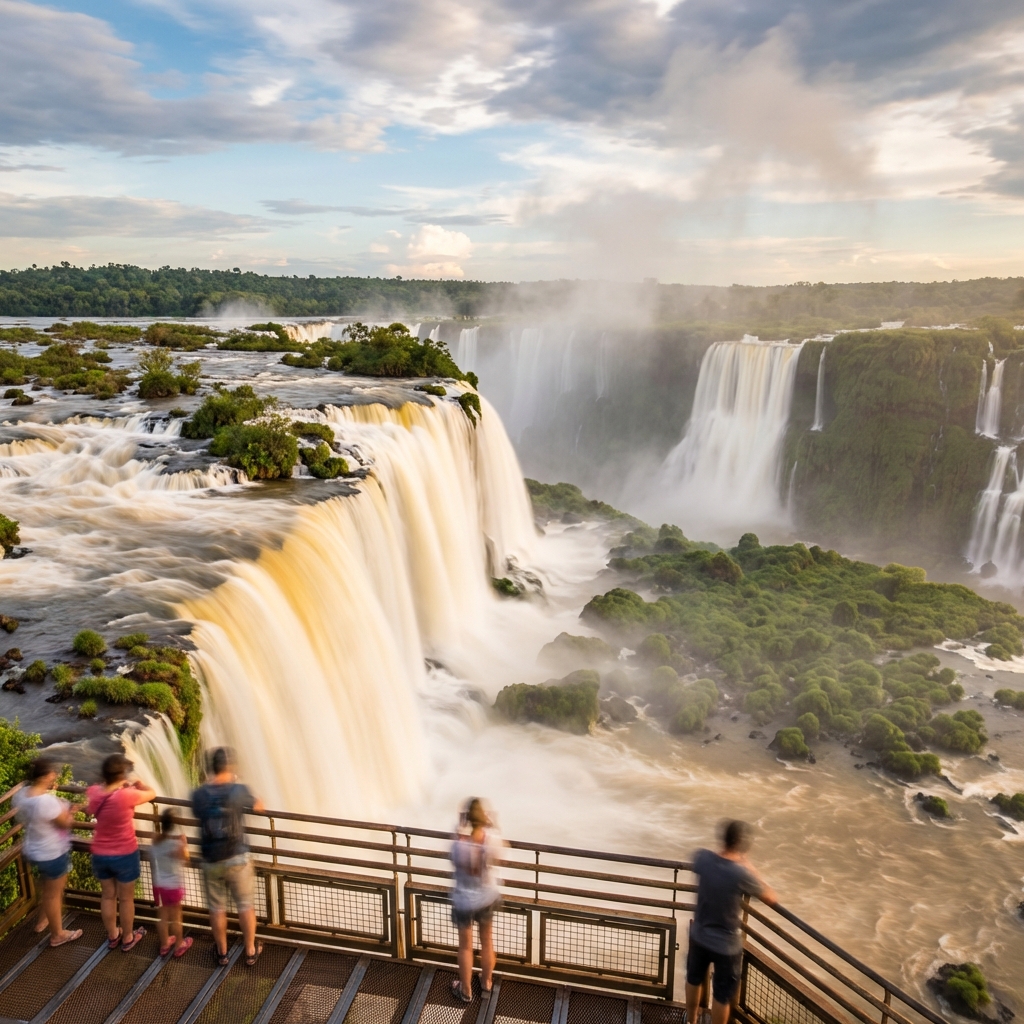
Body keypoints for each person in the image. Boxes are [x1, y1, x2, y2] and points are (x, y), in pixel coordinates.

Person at [685, 821, 777, 1024]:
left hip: (699, 935)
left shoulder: (703, 857)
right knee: (722, 995)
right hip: (726, 946)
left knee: (693, 978)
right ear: (744, 844)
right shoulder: (741, 873)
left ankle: (691, 1020)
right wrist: (749, 865)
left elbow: (699, 864)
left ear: (723, 837)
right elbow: (771, 897)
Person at [191, 747, 264, 967]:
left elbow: (198, 813)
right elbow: (260, 807)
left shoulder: (199, 794)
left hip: (211, 859)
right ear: (230, 767)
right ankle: (250, 950)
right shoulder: (238, 790)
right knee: (245, 905)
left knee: (217, 908)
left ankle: (222, 952)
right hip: (237, 857)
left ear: (211, 768)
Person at [86, 752, 156, 952]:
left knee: (108, 896)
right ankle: (127, 937)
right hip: (125, 854)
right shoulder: (127, 796)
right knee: (126, 899)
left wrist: (118, 786)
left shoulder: (94, 793)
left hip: (100, 854)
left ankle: (112, 935)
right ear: (121, 775)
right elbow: (151, 794)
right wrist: (140, 785)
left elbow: (95, 798)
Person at [12, 757, 82, 947]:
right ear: (44, 776)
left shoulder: (22, 795)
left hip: (33, 850)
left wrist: (51, 793)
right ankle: (57, 934)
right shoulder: (46, 802)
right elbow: (64, 823)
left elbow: (36, 814)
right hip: (52, 852)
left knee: (47, 887)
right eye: (52, 773)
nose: (55, 775)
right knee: (54, 893)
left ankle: (43, 921)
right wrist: (71, 811)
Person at [449, 797, 504, 1002]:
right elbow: (500, 857)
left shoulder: (458, 845)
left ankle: (465, 990)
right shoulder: (491, 841)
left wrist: (459, 828)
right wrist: (494, 826)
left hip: (464, 899)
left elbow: (453, 860)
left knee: (465, 946)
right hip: (487, 897)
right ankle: (486, 982)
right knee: (487, 941)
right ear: (484, 818)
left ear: (467, 820)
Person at [151, 808, 193, 958]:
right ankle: (179, 944)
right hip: (174, 885)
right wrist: (184, 843)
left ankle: (164, 945)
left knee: (162, 917)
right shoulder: (176, 844)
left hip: (159, 884)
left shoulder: (155, 840)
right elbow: (185, 858)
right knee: (176, 917)